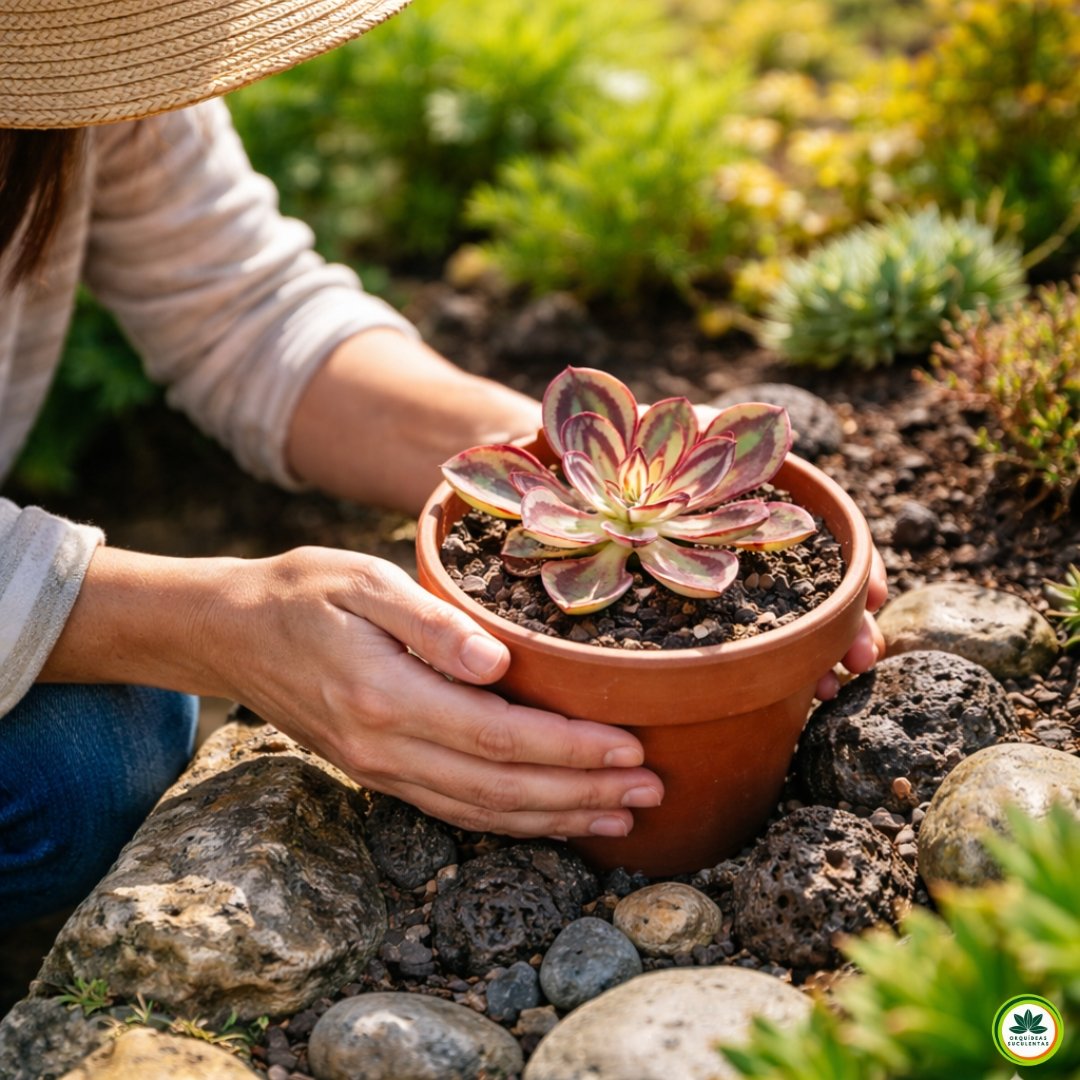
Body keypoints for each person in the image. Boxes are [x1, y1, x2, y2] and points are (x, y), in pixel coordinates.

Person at [0, 0, 887, 929]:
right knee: (94, 753)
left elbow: (243, 310)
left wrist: (571, 458)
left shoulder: (110, 52)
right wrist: (218, 625)